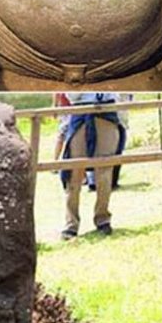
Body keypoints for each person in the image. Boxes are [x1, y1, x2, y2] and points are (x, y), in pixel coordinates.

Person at [57, 92, 127, 240]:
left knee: (105, 172)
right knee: (74, 173)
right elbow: (71, 94)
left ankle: (102, 219)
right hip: (80, 112)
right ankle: (71, 224)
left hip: (107, 111)